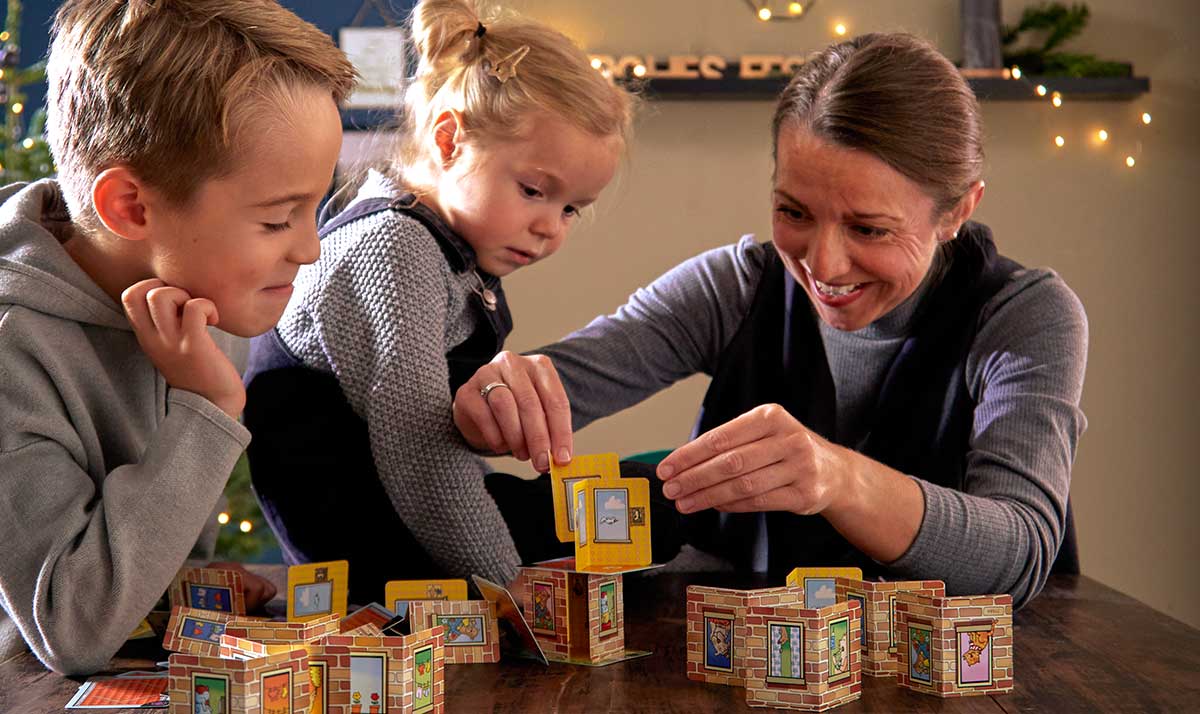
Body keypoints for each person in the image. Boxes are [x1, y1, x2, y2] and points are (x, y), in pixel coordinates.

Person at [452, 33, 1088, 609]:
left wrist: (838, 478)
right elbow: (529, 398)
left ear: (957, 212)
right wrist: (497, 395)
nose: (823, 264)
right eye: (793, 211)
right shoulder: (737, 286)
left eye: (869, 228)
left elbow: (1020, 551)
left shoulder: (1026, 316)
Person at [0, 0, 357, 674]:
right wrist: (209, 408)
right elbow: (69, 630)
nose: (311, 250)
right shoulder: (12, 349)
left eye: (316, 208)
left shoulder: (200, 297)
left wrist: (178, 581)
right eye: (279, 220)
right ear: (130, 207)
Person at [242, 0, 633, 599]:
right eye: (534, 191)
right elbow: (420, 453)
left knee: (634, 499)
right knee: (649, 502)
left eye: (571, 208)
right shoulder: (393, 246)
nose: (551, 227)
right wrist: (508, 588)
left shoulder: (446, 249)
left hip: (402, 511)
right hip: (367, 543)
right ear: (448, 139)